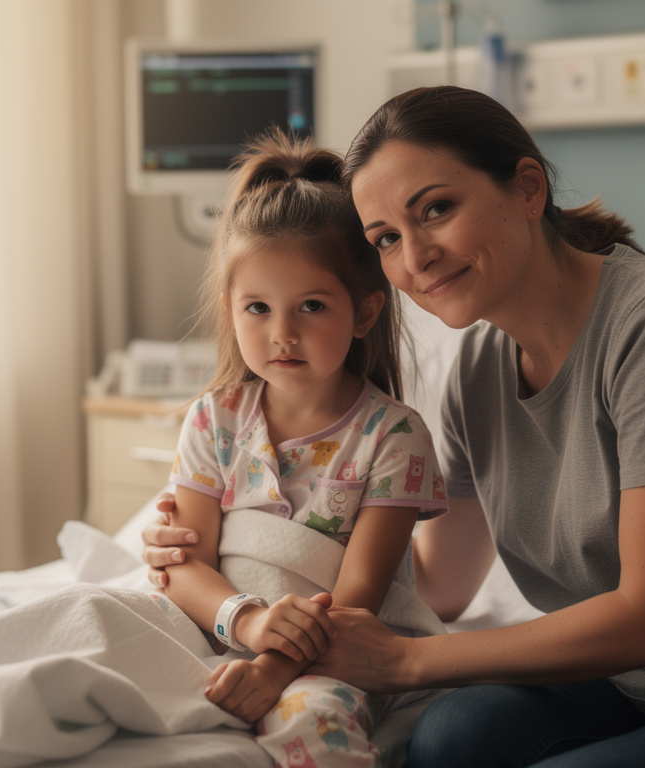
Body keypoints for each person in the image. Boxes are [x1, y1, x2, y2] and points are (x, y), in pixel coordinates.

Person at [142, 86, 645, 768]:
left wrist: (407, 664)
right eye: (384, 239)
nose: (415, 257)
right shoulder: (477, 373)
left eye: (436, 209)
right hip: (630, 687)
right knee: (449, 738)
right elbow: (442, 586)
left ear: (527, 188)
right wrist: (249, 553)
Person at [160, 129, 448, 767]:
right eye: (257, 307)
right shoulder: (214, 421)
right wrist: (248, 622)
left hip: (332, 651)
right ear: (231, 311)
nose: (281, 334)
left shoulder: (394, 438)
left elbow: (356, 601)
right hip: (223, 624)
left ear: (365, 314)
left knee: (312, 719)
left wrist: (272, 667)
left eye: (311, 306)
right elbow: (183, 564)